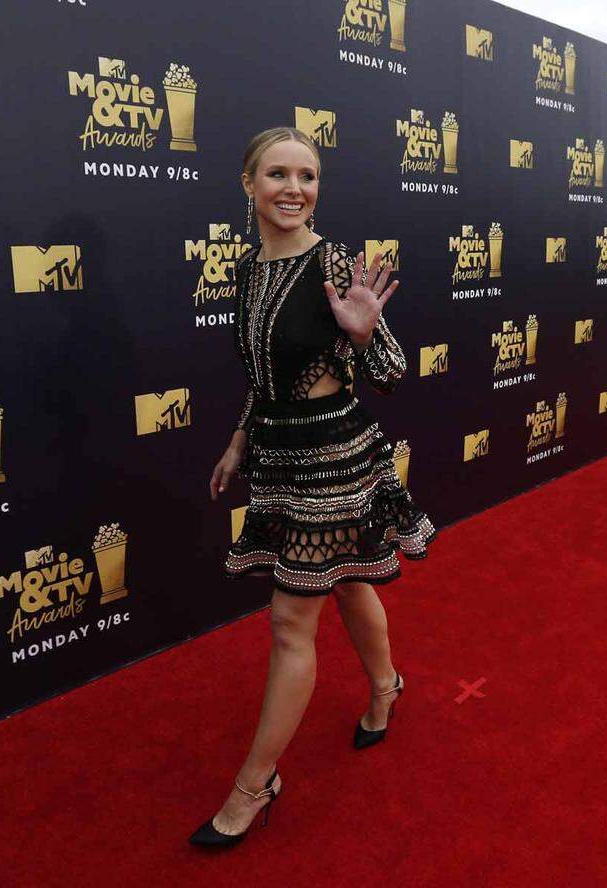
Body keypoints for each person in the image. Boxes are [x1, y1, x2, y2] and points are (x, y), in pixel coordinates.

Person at [191, 127, 435, 848]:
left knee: (289, 622)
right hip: (276, 452)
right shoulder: (246, 270)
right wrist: (240, 439)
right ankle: (387, 687)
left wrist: (364, 335)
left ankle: (255, 782)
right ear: (248, 184)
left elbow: (391, 372)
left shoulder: (332, 261)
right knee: (353, 582)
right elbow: (260, 375)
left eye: (308, 174)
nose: (294, 188)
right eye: (277, 174)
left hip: (334, 454)